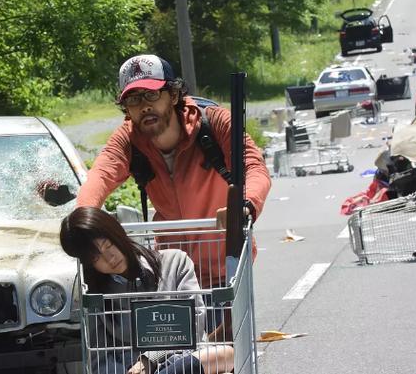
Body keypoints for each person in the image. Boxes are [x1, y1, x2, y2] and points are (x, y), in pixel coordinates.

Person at [76, 54, 271, 287]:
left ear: (175, 95)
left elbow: (254, 167)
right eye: (134, 99)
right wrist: (83, 220)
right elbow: (100, 176)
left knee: (228, 324)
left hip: (226, 266)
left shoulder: (214, 123)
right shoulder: (128, 140)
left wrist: (244, 205)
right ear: (126, 108)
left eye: (152, 94)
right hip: (172, 273)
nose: (145, 106)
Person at [60, 206, 234, 374]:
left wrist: (149, 360)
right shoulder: (96, 296)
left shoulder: (175, 262)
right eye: (96, 257)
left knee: (225, 355)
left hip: (185, 361)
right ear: (89, 264)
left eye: (108, 245)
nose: (110, 257)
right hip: (131, 369)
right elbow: (100, 358)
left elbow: (193, 328)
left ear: (117, 233)